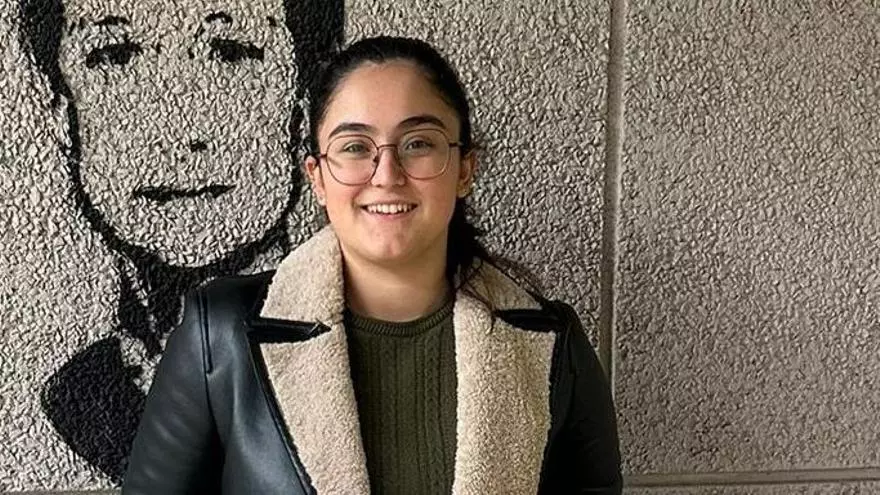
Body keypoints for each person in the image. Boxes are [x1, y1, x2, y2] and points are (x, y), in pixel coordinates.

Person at [123, 36, 622, 494]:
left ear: (465, 169)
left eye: (418, 143)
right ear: (318, 178)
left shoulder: (552, 344)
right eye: (355, 147)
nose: (386, 175)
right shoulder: (220, 335)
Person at [19, 0, 342, 482]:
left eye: (231, 52)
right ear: (61, 110)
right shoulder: (80, 397)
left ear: (305, 99)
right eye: (115, 56)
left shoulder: (349, 378)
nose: (179, 130)